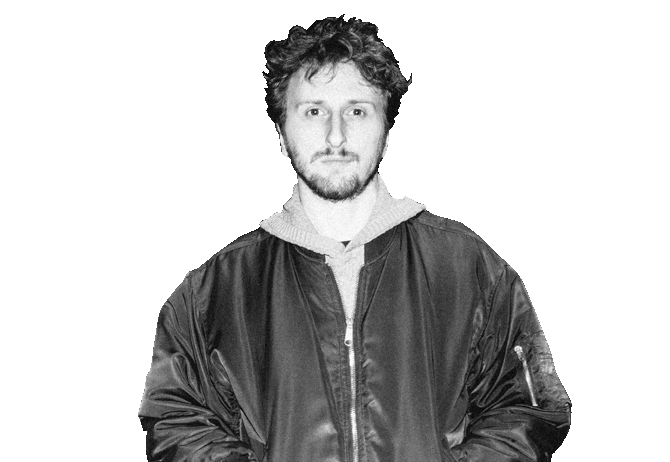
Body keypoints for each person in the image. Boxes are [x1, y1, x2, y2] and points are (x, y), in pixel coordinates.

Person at [139, 16, 571, 462]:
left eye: (357, 111)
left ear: (386, 129)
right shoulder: (213, 294)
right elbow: (177, 424)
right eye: (314, 111)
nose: (336, 135)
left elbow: (529, 411)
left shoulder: (469, 269)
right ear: (281, 134)